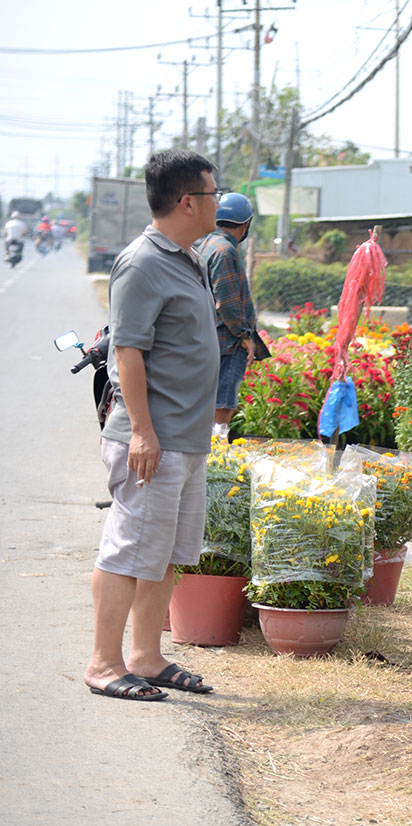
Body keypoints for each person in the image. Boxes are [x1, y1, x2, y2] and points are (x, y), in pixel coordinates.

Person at [84, 149, 222, 700]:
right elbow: (129, 352)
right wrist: (142, 431)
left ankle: (144, 655)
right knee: (127, 551)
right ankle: (103, 663)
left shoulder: (185, 256)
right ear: (188, 202)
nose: (219, 201)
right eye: (212, 193)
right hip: (152, 441)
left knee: (164, 553)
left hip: (183, 441)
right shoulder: (143, 261)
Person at [194, 191, 259, 440]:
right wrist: (244, 336)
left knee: (213, 404)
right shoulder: (225, 251)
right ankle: (217, 458)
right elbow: (228, 301)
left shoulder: (208, 244)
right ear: (245, 224)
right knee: (223, 407)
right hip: (228, 343)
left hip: (211, 339)